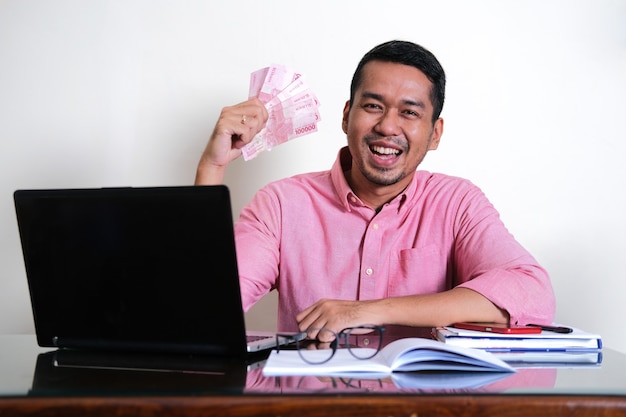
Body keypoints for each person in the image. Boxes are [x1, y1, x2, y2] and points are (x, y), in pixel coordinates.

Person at [195, 40, 556, 339]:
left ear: (435, 134)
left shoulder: (457, 203)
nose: (387, 126)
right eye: (372, 106)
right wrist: (213, 166)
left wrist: (367, 312)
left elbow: (532, 293)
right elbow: (205, 307)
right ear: (346, 116)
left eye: (409, 113)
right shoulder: (281, 205)